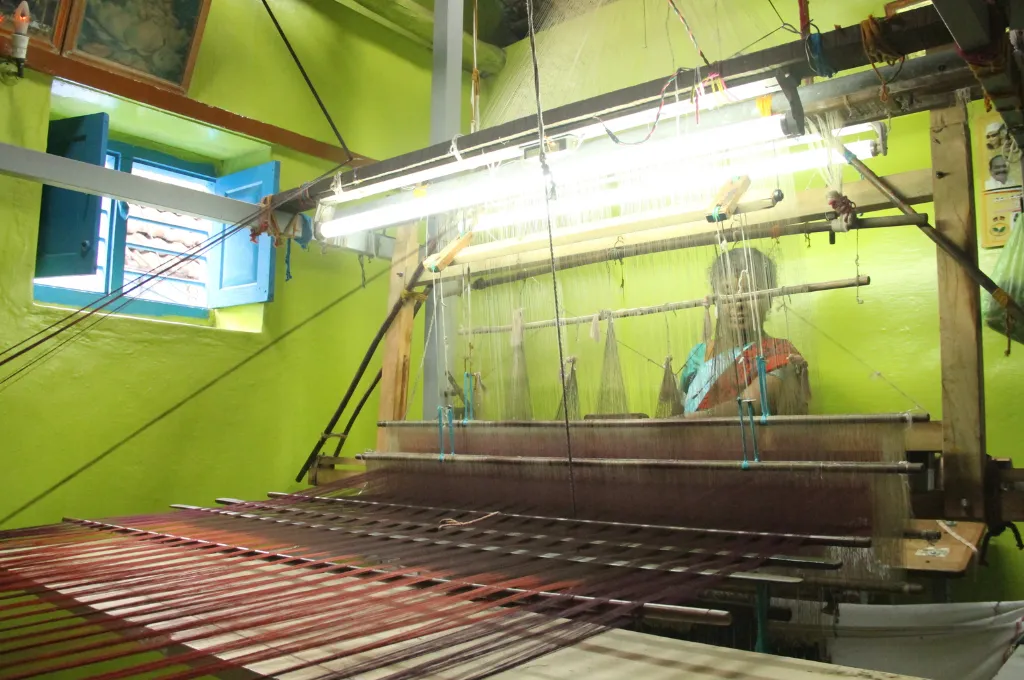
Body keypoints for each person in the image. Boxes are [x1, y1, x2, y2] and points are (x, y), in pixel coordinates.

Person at [679, 247, 809, 417]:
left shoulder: (780, 354)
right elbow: (681, 403)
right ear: (715, 299)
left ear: (769, 298)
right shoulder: (699, 355)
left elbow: (749, 406)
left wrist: (680, 423)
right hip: (694, 443)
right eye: (727, 292)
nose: (738, 303)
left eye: (749, 292)